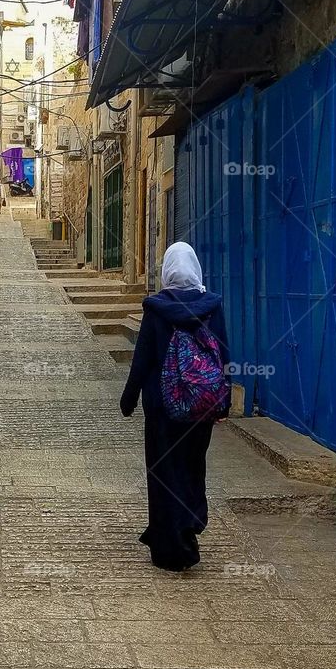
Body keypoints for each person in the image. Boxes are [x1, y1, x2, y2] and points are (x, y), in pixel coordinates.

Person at [120, 242, 229, 571]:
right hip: (200, 407)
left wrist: (129, 399)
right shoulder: (212, 307)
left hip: (162, 407)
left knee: (163, 470)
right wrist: (221, 403)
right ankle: (189, 523)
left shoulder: (156, 309)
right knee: (193, 466)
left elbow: (142, 359)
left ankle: (169, 544)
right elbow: (223, 355)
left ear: (167, 270)